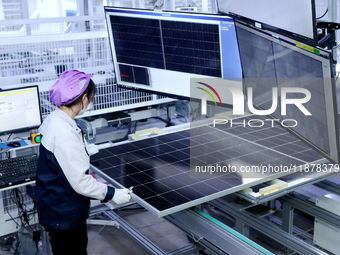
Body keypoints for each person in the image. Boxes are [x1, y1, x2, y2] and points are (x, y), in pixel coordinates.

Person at [36, 70, 131, 255]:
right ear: (84, 98)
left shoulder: (54, 119)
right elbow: (81, 183)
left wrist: (83, 151)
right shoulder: (66, 134)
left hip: (54, 205)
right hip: (65, 214)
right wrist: (112, 193)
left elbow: (60, 159)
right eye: (91, 98)